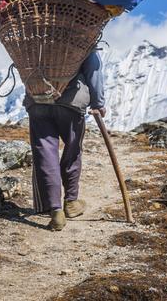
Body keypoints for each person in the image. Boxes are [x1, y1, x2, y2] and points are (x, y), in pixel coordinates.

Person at [23, 49, 106, 231]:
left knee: (45, 154)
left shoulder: (32, 36)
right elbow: (94, 69)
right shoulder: (79, 34)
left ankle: (55, 211)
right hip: (71, 102)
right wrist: (98, 103)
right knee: (73, 150)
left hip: (37, 100)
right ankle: (71, 201)